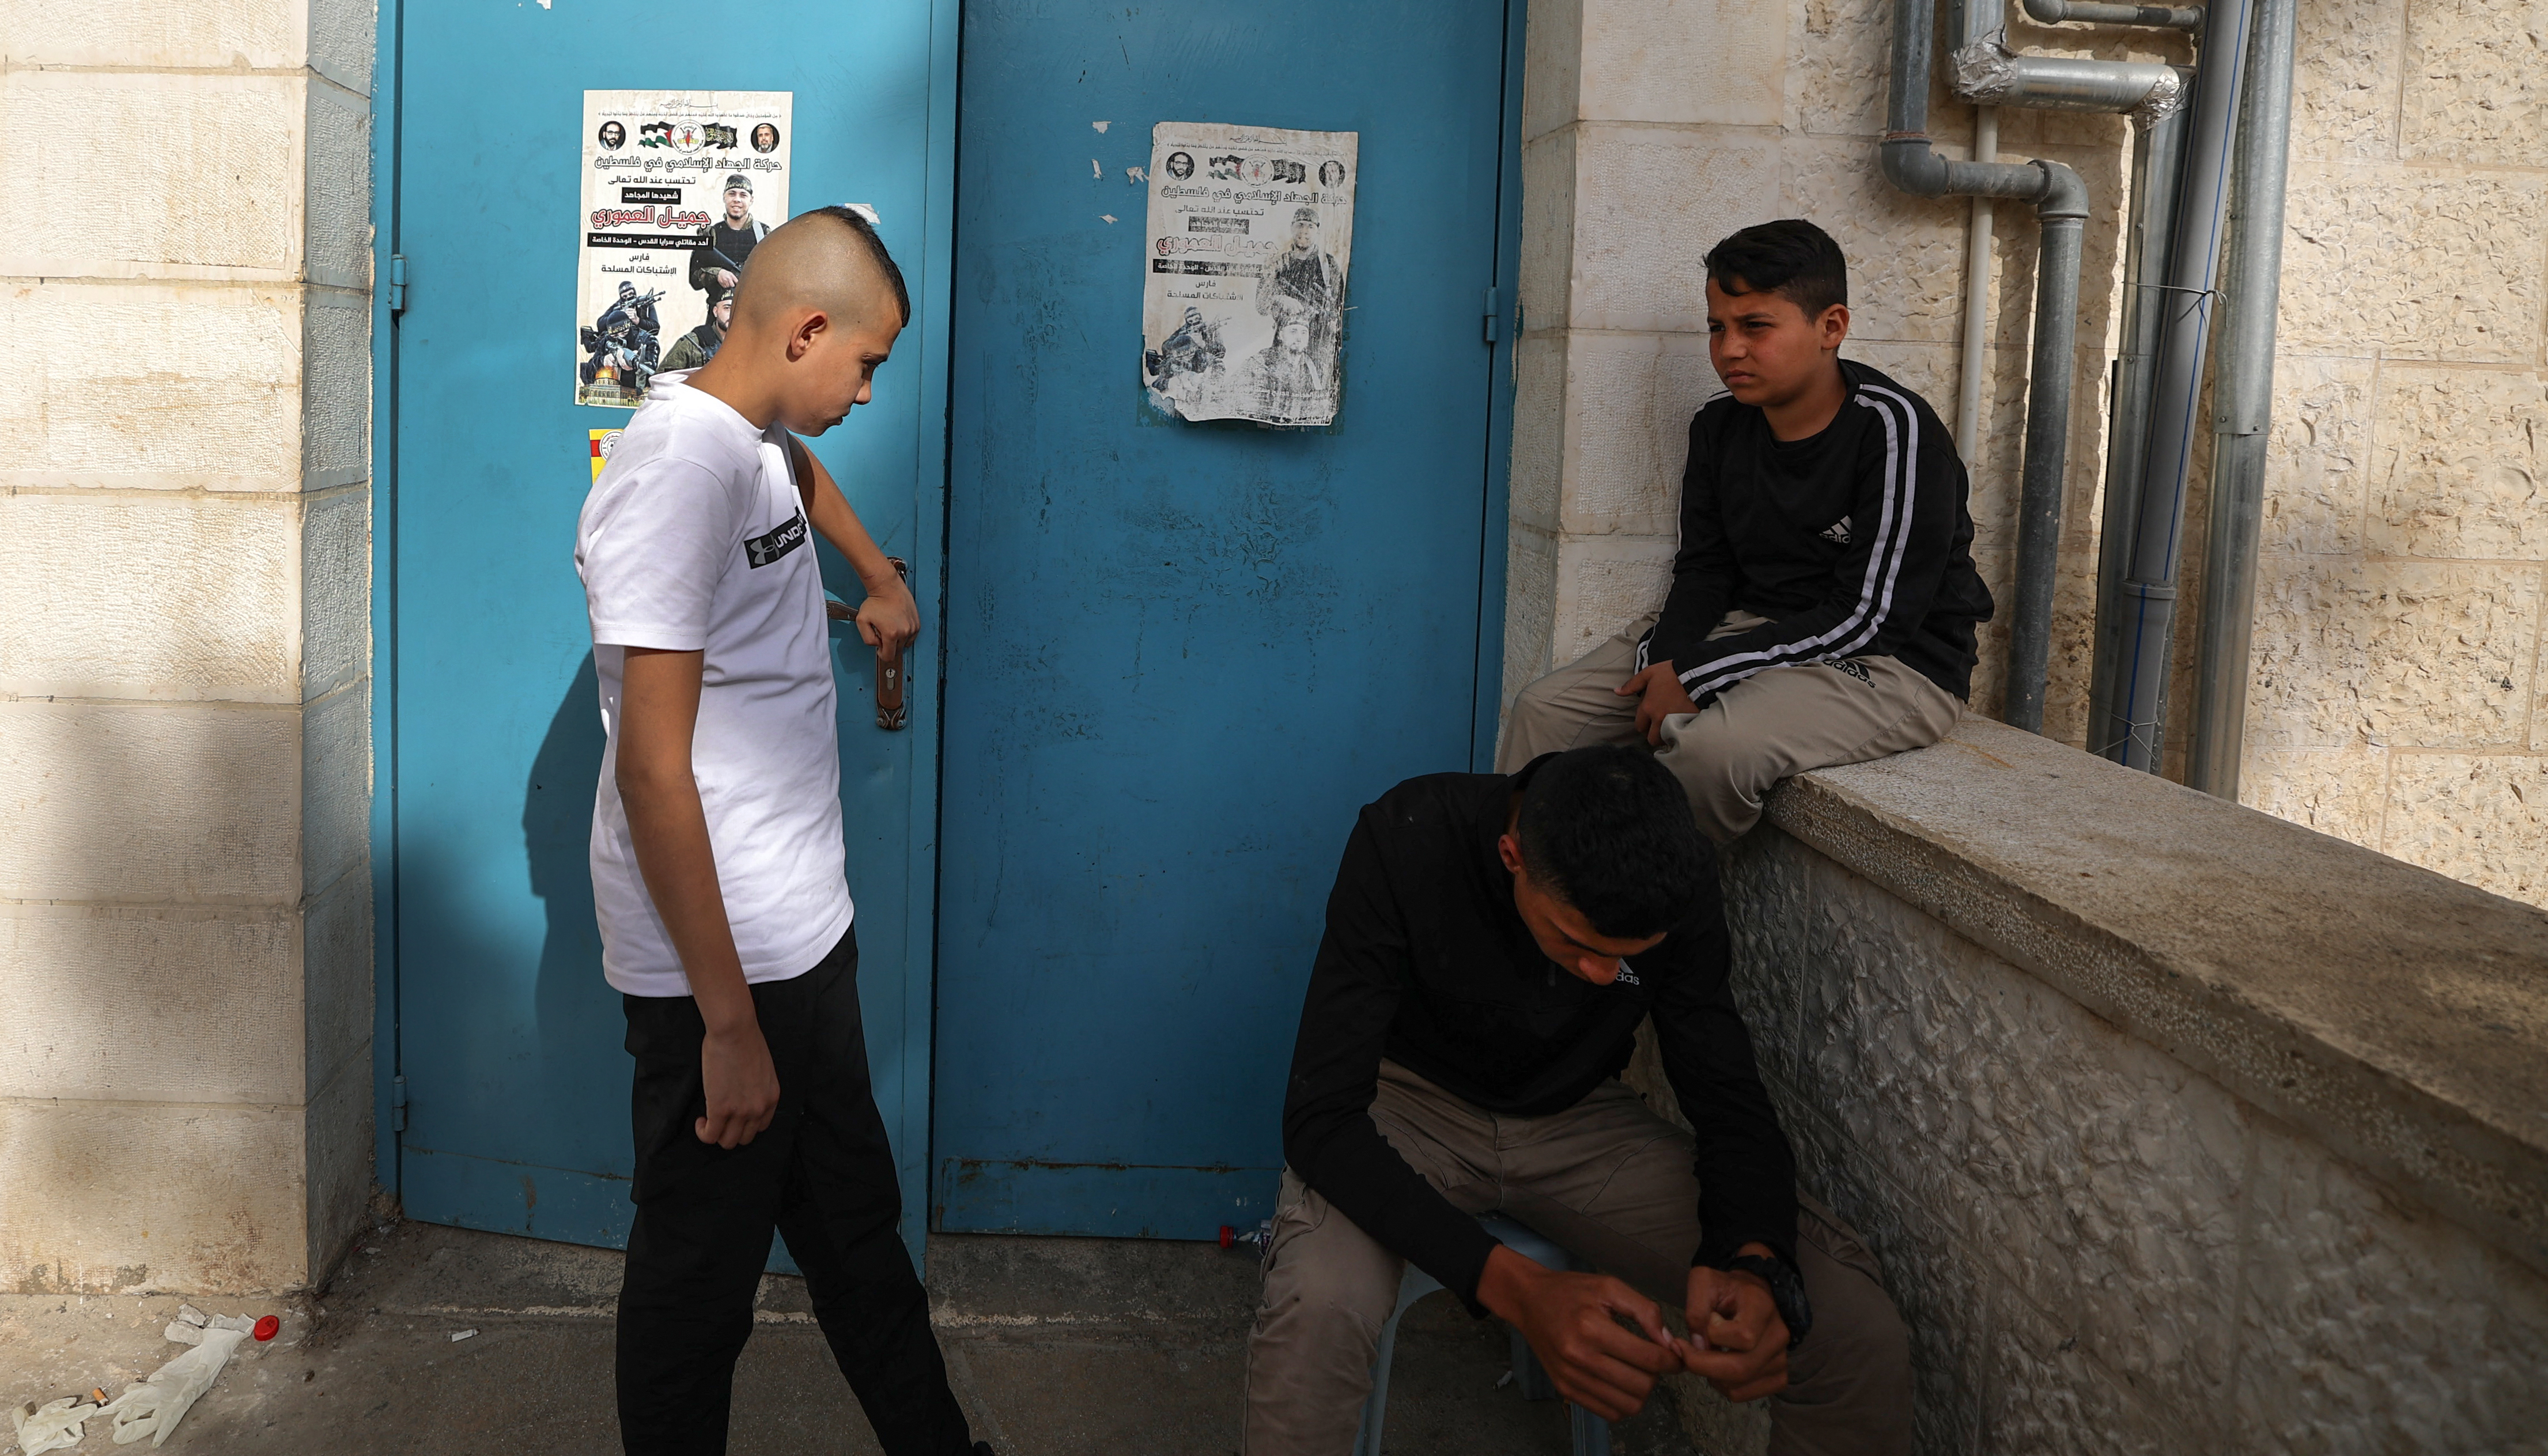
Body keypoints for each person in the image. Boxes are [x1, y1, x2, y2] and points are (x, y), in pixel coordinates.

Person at [576, 206, 991, 1456]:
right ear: (806, 330)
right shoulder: (675, 474)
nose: (868, 395)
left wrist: (877, 576)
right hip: (724, 979)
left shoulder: (752, 436)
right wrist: (728, 1026)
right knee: (696, 1299)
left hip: (801, 946)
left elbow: (800, 479)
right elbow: (653, 771)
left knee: (860, 1238)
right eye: (864, 365)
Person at [1243, 745, 1911, 1454]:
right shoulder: (1408, 835)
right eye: (1577, 942)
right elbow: (1321, 1118)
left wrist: (1753, 1257)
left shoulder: (1674, 876)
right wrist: (1518, 1290)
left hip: (1579, 1123)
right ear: (1512, 856)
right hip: (1406, 1111)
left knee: (1848, 1320)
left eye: (1624, 957)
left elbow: (1725, 1091)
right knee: (1316, 1307)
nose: (1601, 974)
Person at [1499, 219, 1992, 844]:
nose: (1729, 349)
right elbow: (1705, 569)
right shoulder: (1718, 428)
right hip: (1755, 629)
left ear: (1830, 327)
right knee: (1546, 712)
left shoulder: (1894, 430)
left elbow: (1873, 617)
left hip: (1890, 663)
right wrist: (1670, 663)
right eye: (1717, 328)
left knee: (1713, 752)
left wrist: (1698, 676)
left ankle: (1654, 923)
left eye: (1755, 327)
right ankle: (1525, 908)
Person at [1256, 206, 1343, 360]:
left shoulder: (1329, 265)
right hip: (1285, 343)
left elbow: (1340, 307)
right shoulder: (1278, 263)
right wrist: (1280, 298)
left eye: (1310, 226)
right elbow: (1261, 305)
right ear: (1292, 228)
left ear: (1318, 231)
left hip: (1319, 344)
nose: (1304, 231)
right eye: (1300, 225)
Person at [689, 173, 769, 309]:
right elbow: (694, 279)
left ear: (751, 200)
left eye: (743, 195)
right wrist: (717, 274)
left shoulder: (763, 234)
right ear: (724, 197)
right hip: (718, 314)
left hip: (753, 312)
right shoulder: (710, 234)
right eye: (732, 194)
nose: (737, 200)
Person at [660, 290, 732, 375]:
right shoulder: (693, 344)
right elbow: (663, 378)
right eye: (727, 308)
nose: (732, 314)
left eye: (737, 309)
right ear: (716, 312)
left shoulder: (747, 344)